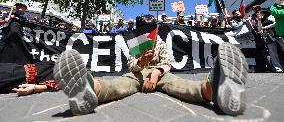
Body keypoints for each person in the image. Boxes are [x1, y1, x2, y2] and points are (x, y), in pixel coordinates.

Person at [54, 14, 249, 116]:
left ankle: (213, 89)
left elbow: (167, 62)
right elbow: (131, 66)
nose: (149, 35)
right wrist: (141, 62)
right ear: (139, 32)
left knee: (179, 85)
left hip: (160, 75)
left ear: (156, 30)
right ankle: (88, 90)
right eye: (145, 32)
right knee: (118, 85)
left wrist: (156, 72)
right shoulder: (135, 44)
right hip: (137, 75)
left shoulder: (161, 43)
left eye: (151, 31)